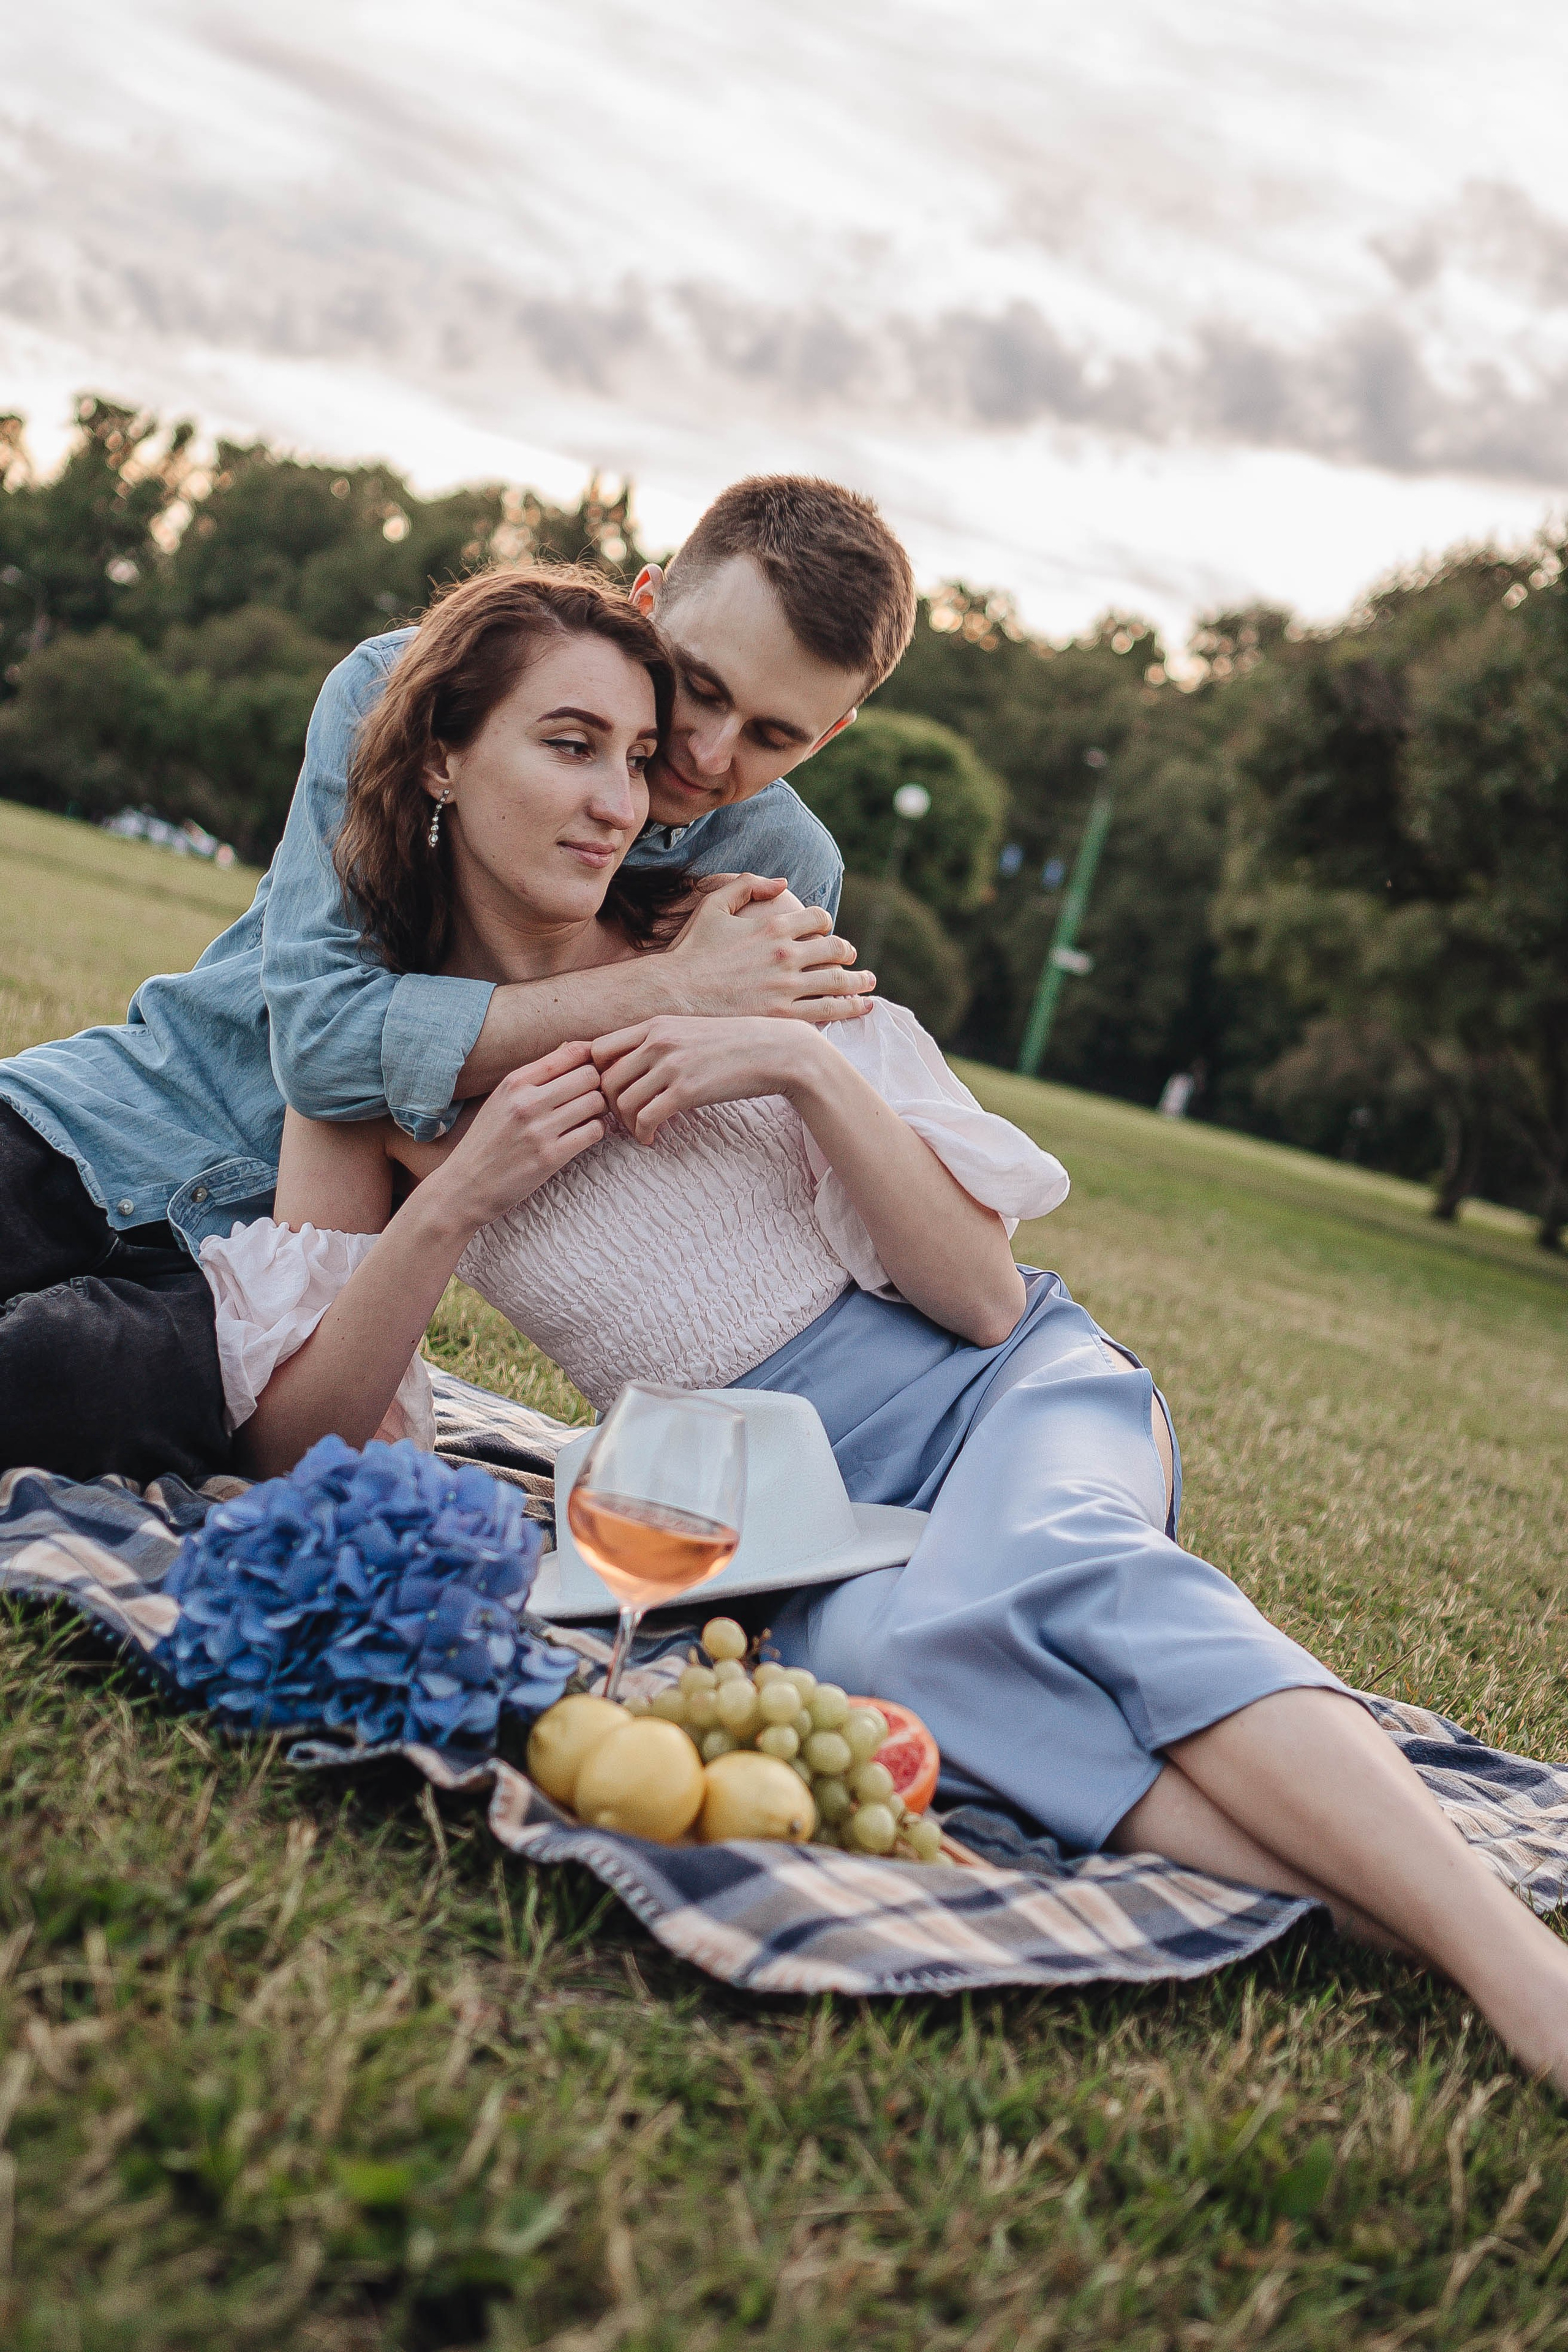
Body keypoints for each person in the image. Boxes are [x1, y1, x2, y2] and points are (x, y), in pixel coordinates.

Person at [205, 560, 1568, 2093]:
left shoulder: (741, 934)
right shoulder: (373, 1083)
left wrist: (795, 1068)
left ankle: (1521, 1981)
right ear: (443, 755)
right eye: (568, 746)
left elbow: (985, 1301)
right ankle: (1409, 1894)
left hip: (1000, 1396)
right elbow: (289, 1450)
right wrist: (456, 1206)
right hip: (775, 1510)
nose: (619, 800)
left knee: (1057, 1560)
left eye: (638, 760)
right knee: (876, 1654)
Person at [0, 477, 914, 1485]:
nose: (707, 752)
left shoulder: (782, 874)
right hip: (114, 1122)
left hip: (273, 1277)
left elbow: (678, 1197)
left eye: (774, 736)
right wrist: (669, 990)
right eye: (698, 685)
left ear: (828, 737)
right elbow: (324, 1045)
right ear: (647, 606)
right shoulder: (418, 689)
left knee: (46, 1382)